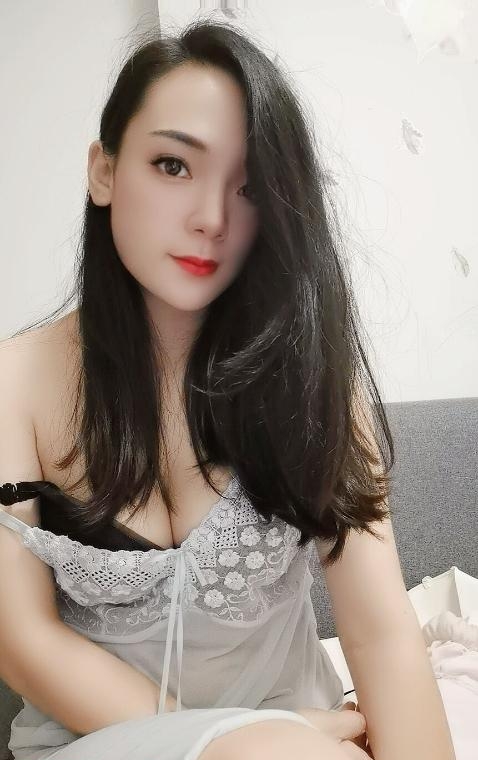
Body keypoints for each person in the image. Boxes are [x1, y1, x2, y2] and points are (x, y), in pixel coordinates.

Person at [0, 17, 454, 760]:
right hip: (104, 741)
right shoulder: (14, 382)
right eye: (173, 165)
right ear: (104, 171)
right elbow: (22, 641)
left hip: (306, 737)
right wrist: (246, 739)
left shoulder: (313, 376)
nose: (211, 219)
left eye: (248, 187)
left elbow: (378, 632)